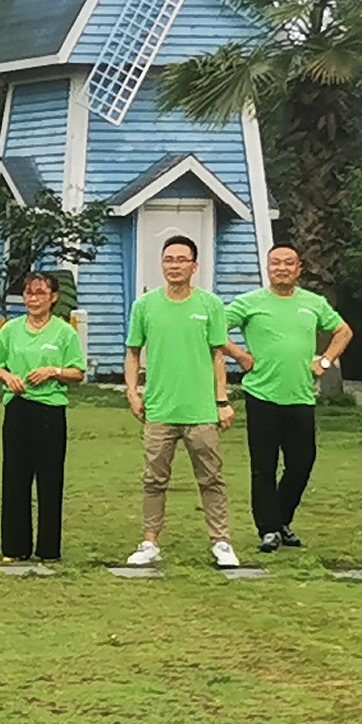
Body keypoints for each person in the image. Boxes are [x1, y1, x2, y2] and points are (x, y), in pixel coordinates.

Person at [221, 244, 350, 552]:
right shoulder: (250, 302)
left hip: (300, 397)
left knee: (302, 463)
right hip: (261, 395)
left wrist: (325, 361)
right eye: (276, 263)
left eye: (288, 263)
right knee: (264, 466)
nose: (282, 268)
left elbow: (343, 331)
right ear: (268, 268)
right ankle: (269, 529)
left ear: (298, 269)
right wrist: (240, 356)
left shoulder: (313, 303)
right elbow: (215, 329)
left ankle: (282, 520)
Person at [123, 234, 239, 569]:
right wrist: (133, 391)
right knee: (154, 480)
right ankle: (150, 542)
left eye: (181, 260)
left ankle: (221, 542)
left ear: (194, 266)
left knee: (211, 478)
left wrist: (222, 400)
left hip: (201, 410)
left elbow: (218, 355)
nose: (174, 266)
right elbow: (133, 352)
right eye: (169, 260)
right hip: (160, 409)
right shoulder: (145, 306)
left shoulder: (210, 305)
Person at [0, 269, 86, 564]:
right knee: (15, 477)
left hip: (50, 410)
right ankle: (15, 547)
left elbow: (77, 372)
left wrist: (53, 371)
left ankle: (48, 549)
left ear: (53, 297)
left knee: (50, 478)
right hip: (18, 408)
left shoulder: (64, 333)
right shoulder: (11, 330)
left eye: (40, 293)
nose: (33, 299)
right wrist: (8, 377)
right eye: (29, 293)